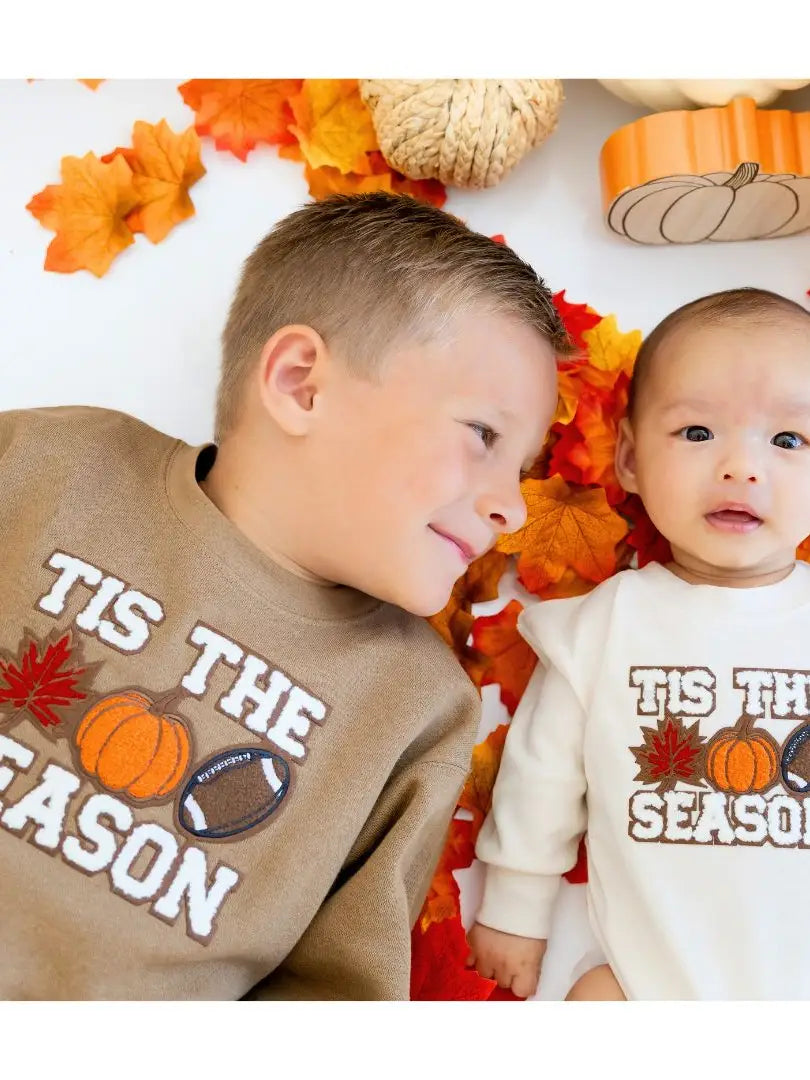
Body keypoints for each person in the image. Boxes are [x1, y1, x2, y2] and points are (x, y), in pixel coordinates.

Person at [0, 192, 568, 1000]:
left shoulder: (414, 709)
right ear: (302, 383)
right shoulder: (51, 465)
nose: (511, 506)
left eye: (523, 467)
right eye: (483, 436)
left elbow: (333, 997)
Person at [468, 286, 810, 1001]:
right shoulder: (607, 622)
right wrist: (516, 904)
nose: (741, 468)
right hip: (646, 979)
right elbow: (542, 774)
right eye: (696, 433)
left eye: (788, 441)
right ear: (627, 458)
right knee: (594, 1004)